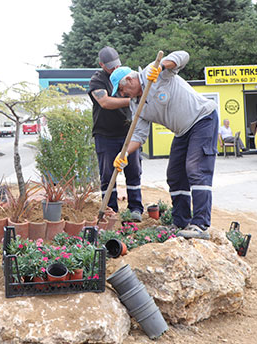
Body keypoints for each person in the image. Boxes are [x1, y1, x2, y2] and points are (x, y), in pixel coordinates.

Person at [111, 51, 219, 239]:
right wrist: (123, 154)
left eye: (121, 90)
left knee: (196, 169)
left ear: (129, 80)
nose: (122, 95)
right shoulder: (136, 106)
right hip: (182, 131)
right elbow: (139, 135)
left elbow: (183, 56)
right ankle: (181, 221)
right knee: (175, 175)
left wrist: (161, 67)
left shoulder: (152, 72)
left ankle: (200, 224)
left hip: (202, 119)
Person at [88, 46, 143, 221]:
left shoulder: (127, 75)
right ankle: (111, 210)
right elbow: (104, 102)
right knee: (107, 174)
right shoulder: (97, 80)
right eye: (110, 67)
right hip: (105, 134)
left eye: (116, 65)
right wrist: (133, 101)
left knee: (134, 171)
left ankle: (136, 209)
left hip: (128, 133)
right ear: (101, 65)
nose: (114, 69)